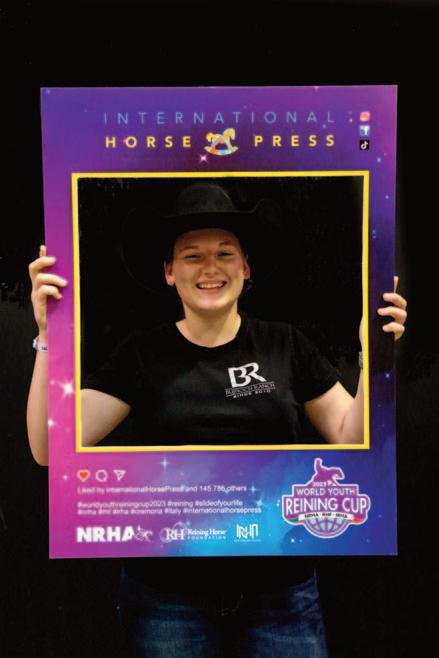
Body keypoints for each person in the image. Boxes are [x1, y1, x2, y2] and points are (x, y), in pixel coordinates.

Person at [27, 182, 407, 657]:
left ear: (246, 267)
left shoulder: (286, 344)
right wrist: (48, 336)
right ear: (169, 272)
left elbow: (353, 440)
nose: (210, 267)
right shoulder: (141, 355)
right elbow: (49, 448)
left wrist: (375, 356)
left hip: (282, 594)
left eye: (225, 253)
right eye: (192, 256)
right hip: (167, 599)